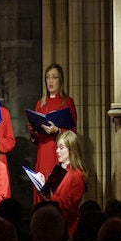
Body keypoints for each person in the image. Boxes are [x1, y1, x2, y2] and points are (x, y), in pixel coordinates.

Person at [30, 64, 77, 204]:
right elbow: (36, 138)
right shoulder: (40, 103)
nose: (50, 81)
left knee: (55, 189)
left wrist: (57, 131)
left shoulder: (67, 102)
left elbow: (73, 132)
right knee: (41, 187)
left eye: (54, 77)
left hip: (57, 152)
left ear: (60, 80)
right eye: (48, 77)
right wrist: (33, 130)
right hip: (43, 151)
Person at [44, 130, 87, 235]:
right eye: (57, 147)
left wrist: (51, 196)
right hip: (53, 224)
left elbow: (70, 206)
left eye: (61, 148)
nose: (57, 151)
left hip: (67, 228)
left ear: (71, 150)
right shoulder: (58, 170)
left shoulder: (77, 175)